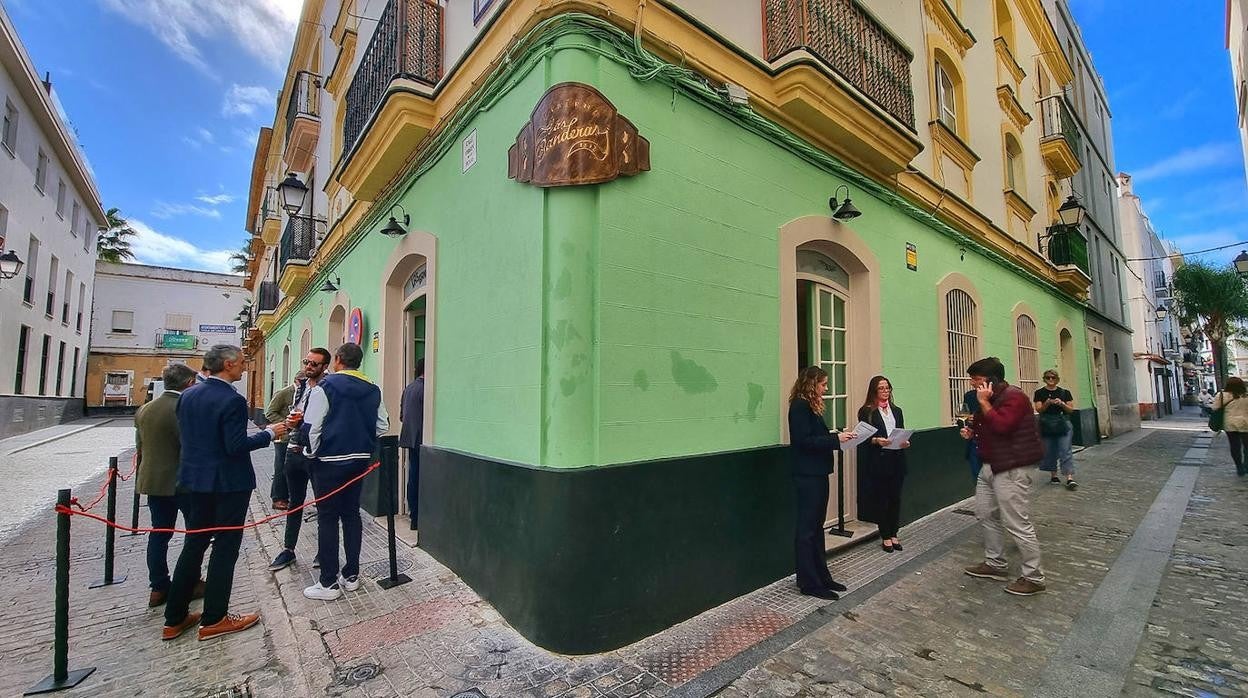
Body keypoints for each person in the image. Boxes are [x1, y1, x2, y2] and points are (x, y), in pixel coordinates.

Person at [161, 345, 287, 642]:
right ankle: (214, 618)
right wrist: (271, 433)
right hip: (227, 485)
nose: (245, 367)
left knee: (193, 545)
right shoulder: (231, 399)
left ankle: (174, 618)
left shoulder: (188, 395)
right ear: (228, 364)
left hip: (192, 481)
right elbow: (235, 446)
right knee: (225, 548)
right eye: (242, 363)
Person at [301, 343, 389, 600]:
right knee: (351, 514)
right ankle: (351, 575)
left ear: (337, 360)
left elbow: (312, 428)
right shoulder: (373, 389)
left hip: (328, 461)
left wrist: (310, 454)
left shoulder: (324, 388)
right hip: (359, 460)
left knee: (327, 518)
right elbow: (383, 425)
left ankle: (327, 582)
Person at [959, 357, 1046, 596]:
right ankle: (995, 563)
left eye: (976, 380)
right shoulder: (990, 399)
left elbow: (1002, 426)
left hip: (1012, 466)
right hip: (990, 464)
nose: (972, 384)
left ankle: (1034, 576)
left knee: (1017, 521)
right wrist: (971, 431)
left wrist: (984, 403)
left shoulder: (1014, 397)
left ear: (991, 381)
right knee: (985, 513)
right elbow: (986, 424)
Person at [135, 363, 203, 608]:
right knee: (195, 534)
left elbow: (140, 447)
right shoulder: (183, 409)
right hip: (182, 482)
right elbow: (192, 447)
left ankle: (158, 586)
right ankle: (191, 581)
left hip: (153, 482)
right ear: (188, 384)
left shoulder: (145, 409)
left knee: (159, 533)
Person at [787, 366, 855, 600]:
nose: (826, 388)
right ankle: (808, 582)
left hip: (817, 473)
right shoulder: (799, 406)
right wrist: (835, 439)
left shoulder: (810, 406)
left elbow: (814, 437)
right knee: (807, 530)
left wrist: (837, 438)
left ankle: (822, 577)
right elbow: (803, 441)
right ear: (812, 384)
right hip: (807, 475)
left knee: (817, 528)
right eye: (823, 384)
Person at [268, 348, 331, 571]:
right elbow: (294, 412)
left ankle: (324, 552)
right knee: (295, 502)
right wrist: (292, 422)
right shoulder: (302, 387)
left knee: (324, 504)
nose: (309, 366)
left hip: (317, 454)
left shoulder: (329, 388)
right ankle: (288, 549)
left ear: (325, 367)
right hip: (294, 450)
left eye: (314, 364)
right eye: (307, 362)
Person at [856, 376, 911, 553]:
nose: (885, 391)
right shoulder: (866, 412)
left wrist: (904, 442)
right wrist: (876, 441)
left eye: (887, 388)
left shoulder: (897, 411)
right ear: (874, 391)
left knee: (896, 498)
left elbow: (901, 431)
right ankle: (885, 535)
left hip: (896, 459)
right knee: (882, 499)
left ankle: (894, 533)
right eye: (881, 388)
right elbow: (863, 438)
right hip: (879, 460)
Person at [264, 371, 302, 510]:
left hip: (298, 437)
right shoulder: (284, 393)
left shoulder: (306, 393)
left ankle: (290, 496)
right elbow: (270, 412)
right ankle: (278, 498)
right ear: (297, 380)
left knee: (292, 469)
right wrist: (287, 423)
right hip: (283, 436)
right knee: (281, 467)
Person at [1034, 370, 1076, 490]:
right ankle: (1054, 475)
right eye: (1048, 378)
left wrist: (1061, 404)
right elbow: (1039, 409)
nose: (1050, 380)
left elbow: (1071, 410)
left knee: (1065, 449)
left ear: (1057, 379)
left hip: (1063, 423)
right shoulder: (1039, 393)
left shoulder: (1065, 392)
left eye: (1053, 378)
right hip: (1046, 424)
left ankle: (1069, 477)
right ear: (1044, 379)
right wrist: (1047, 403)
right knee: (1050, 450)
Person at [398, 358, 425, 530]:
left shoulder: (409, 388)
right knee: (418, 478)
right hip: (422, 439)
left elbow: (402, 415)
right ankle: (417, 517)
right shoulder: (426, 389)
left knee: (413, 477)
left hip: (410, 438)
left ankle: (414, 515)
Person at [1213, 377, 1248, 476]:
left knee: (1234, 446)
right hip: (1245, 423)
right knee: (1247, 446)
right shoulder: (1246, 396)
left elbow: (1215, 407)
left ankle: (1239, 467)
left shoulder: (1222, 395)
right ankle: (1246, 464)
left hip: (1230, 423)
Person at [961, 389, 983, 480]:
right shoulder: (970, 396)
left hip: (993, 446)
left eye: (977, 379)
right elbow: (962, 417)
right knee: (978, 479)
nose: (972, 382)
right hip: (974, 444)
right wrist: (966, 422)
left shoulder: (1000, 395)